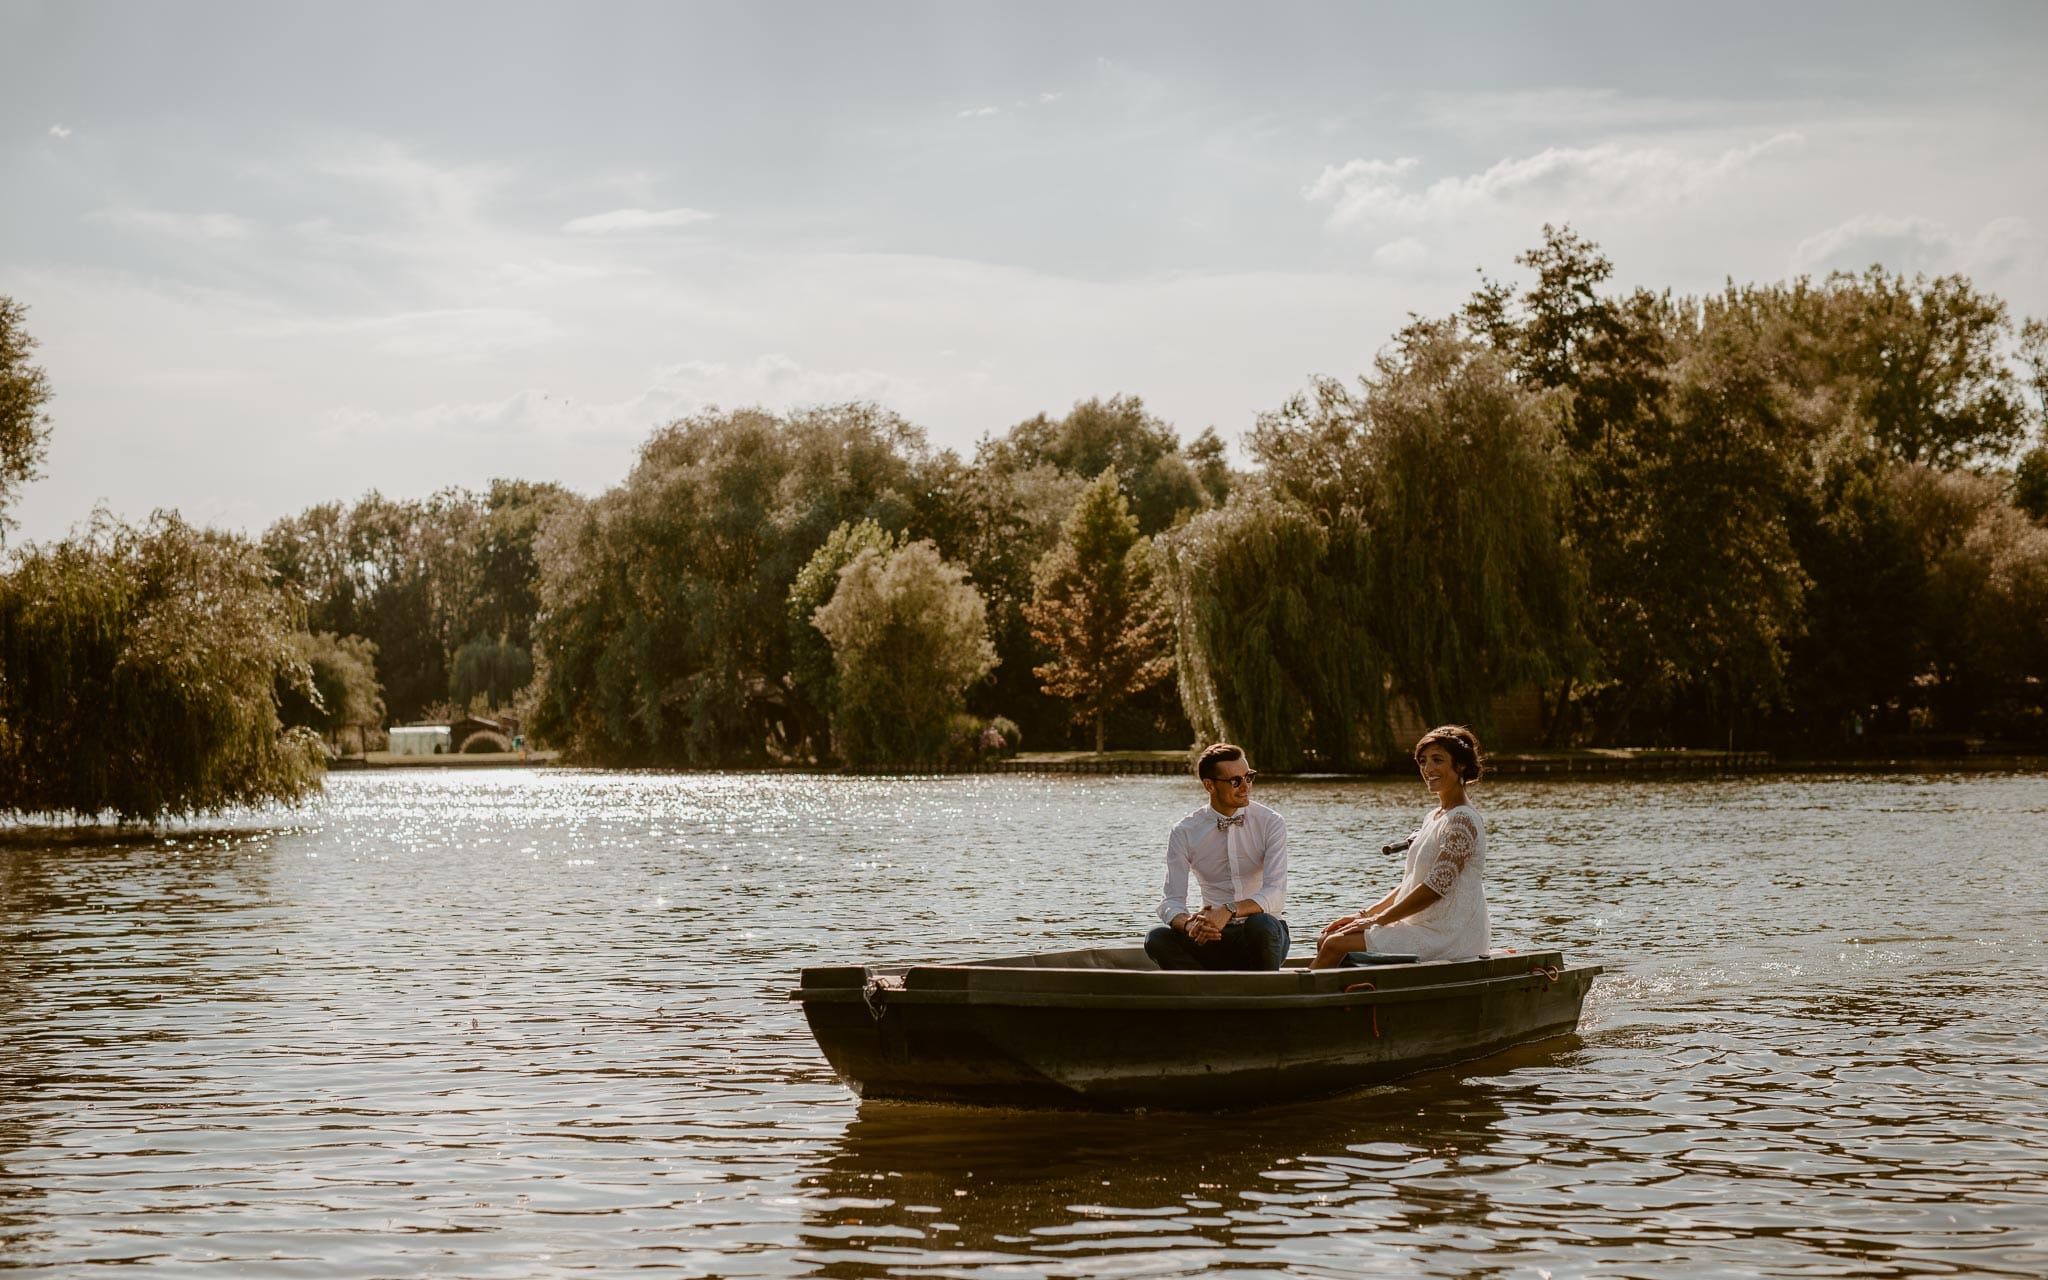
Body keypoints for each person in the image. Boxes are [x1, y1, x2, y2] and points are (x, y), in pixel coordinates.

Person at [1312, 725, 1490, 968]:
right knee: (1327, 938)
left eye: (1437, 760)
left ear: (1459, 766)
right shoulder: (1435, 816)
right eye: (1423, 761)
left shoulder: (1463, 820)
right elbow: (1412, 884)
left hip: (1448, 934)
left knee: (1334, 945)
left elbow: (1435, 888)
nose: (1428, 769)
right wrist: (1364, 915)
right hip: (1420, 924)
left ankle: (1297, 1001)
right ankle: (1342, 996)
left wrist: (1378, 920)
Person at [1146, 743, 1290, 971]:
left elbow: (1276, 893)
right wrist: (1190, 924)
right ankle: (1202, 994)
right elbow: (1171, 901)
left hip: (1263, 934)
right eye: (1235, 781)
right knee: (1156, 937)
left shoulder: (1270, 822)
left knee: (1261, 924)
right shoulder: (1185, 831)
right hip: (1212, 937)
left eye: (1248, 777)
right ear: (1209, 785)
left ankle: (1264, 993)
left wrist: (1229, 909)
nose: (1246, 787)